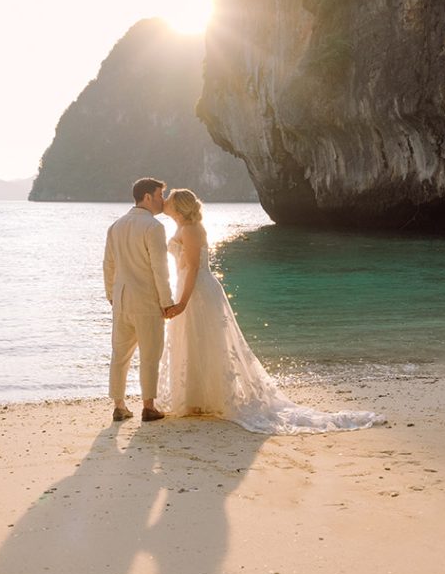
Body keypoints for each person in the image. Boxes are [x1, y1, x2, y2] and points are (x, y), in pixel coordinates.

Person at [157, 189, 385, 434]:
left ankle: (205, 400)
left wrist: (182, 302)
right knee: (194, 341)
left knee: (206, 341)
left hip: (198, 291)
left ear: (179, 207)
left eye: (168, 198)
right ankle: (197, 399)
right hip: (189, 287)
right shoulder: (183, 228)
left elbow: (192, 267)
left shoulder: (191, 229)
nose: (165, 201)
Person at [103, 177, 174, 422]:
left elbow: (108, 265)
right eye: (159, 195)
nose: (161, 201)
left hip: (121, 300)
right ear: (147, 197)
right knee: (150, 355)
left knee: (119, 354)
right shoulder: (153, 227)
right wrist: (167, 301)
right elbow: (160, 268)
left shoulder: (116, 226)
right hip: (146, 300)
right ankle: (148, 406)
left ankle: (119, 405)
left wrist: (111, 295)